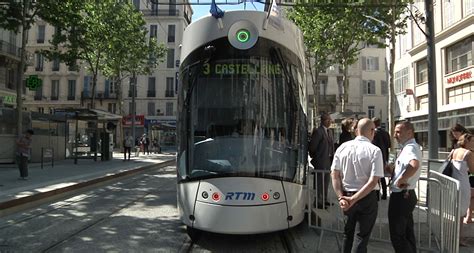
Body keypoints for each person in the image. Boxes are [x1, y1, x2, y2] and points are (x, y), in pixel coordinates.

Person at [331, 118, 384, 253]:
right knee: (361, 237)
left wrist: (341, 197)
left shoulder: (342, 147)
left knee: (347, 234)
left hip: (346, 195)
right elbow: (373, 181)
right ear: (372, 131)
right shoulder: (374, 150)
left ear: (356, 131)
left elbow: (334, 175)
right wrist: (354, 199)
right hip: (366, 198)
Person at [386, 121, 422, 253]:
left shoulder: (411, 147)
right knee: (406, 232)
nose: (395, 135)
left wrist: (401, 179)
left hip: (402, 195)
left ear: (409, 132)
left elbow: (414, 165)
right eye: (395, 131)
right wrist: (393, 172)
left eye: (398, 132)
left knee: (397, 235)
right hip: (405, 194)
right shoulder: (407, 147)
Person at [450, 133, 474, 246]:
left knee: (456, 212)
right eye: (472, 141)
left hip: (453, 183)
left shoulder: (454, 151)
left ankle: (455, 237)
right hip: (463, 184)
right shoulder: (468, 153)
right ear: (467, 141)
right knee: (461, 213)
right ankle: (458, 239)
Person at [309, 113, 334, 209]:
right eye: (328, 120)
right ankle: (318, 201)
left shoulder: (329, 132)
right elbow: (312, 147)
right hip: (320, 160)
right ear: (323, 121)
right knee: (319, 181)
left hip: (328, 160)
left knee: (326, 181)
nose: (330, 122)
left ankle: (324, 199)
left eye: (330, 120)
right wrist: (316, 158)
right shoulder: (318, 132)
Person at [372, 117, 391, 200]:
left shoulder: (374, 133)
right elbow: (389, 144)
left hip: (376, 156)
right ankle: (384, 193)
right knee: (382, 176)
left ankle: (377, 195)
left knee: (376, 175)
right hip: (384, 156)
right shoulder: (385, 133)